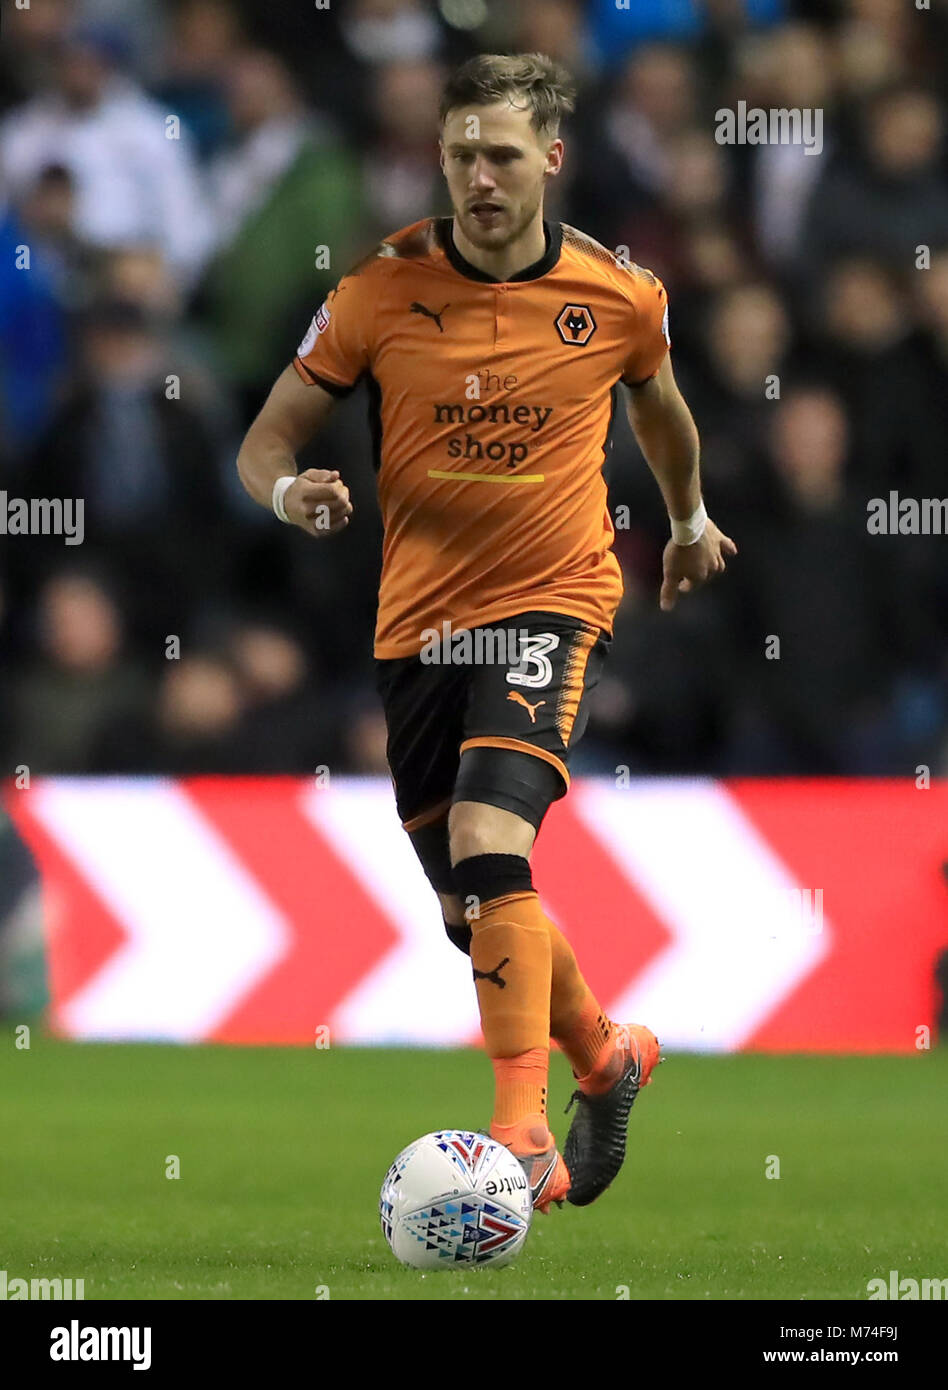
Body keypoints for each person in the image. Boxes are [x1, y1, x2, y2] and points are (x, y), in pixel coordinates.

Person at [235, 52, 736, 1213]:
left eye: (502, 154)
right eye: (460, 152)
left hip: (555, 598)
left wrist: (692, 520)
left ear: (551, 158)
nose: (478, 176)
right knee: (471, 908)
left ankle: (517, 1139)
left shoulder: (618, 294)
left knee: (488, 832)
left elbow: (661, 408)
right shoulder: (377, 289)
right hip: (415, 623)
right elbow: (267, 436)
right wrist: (288, 493)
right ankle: (607, 1058)